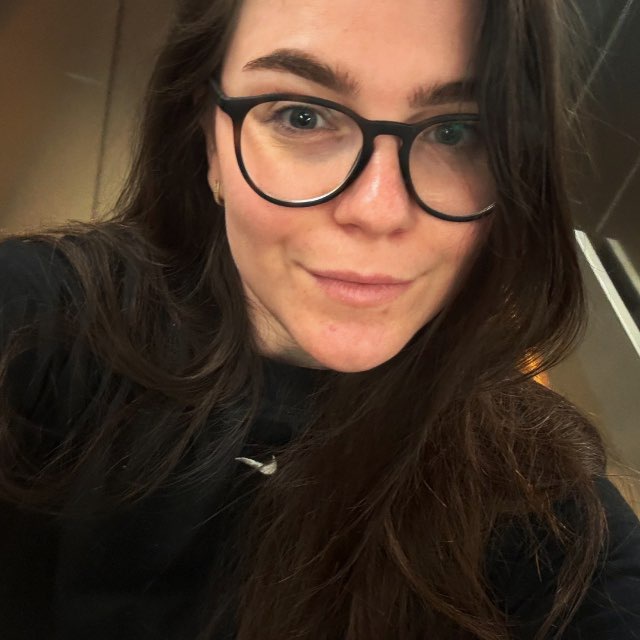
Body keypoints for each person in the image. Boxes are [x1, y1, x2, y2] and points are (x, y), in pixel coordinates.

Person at [0, 0, 639, 638]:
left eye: (456, 131)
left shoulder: (537, 499)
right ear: (209, 141)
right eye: (301, 116)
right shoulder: (35, 326)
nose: (379, 210)